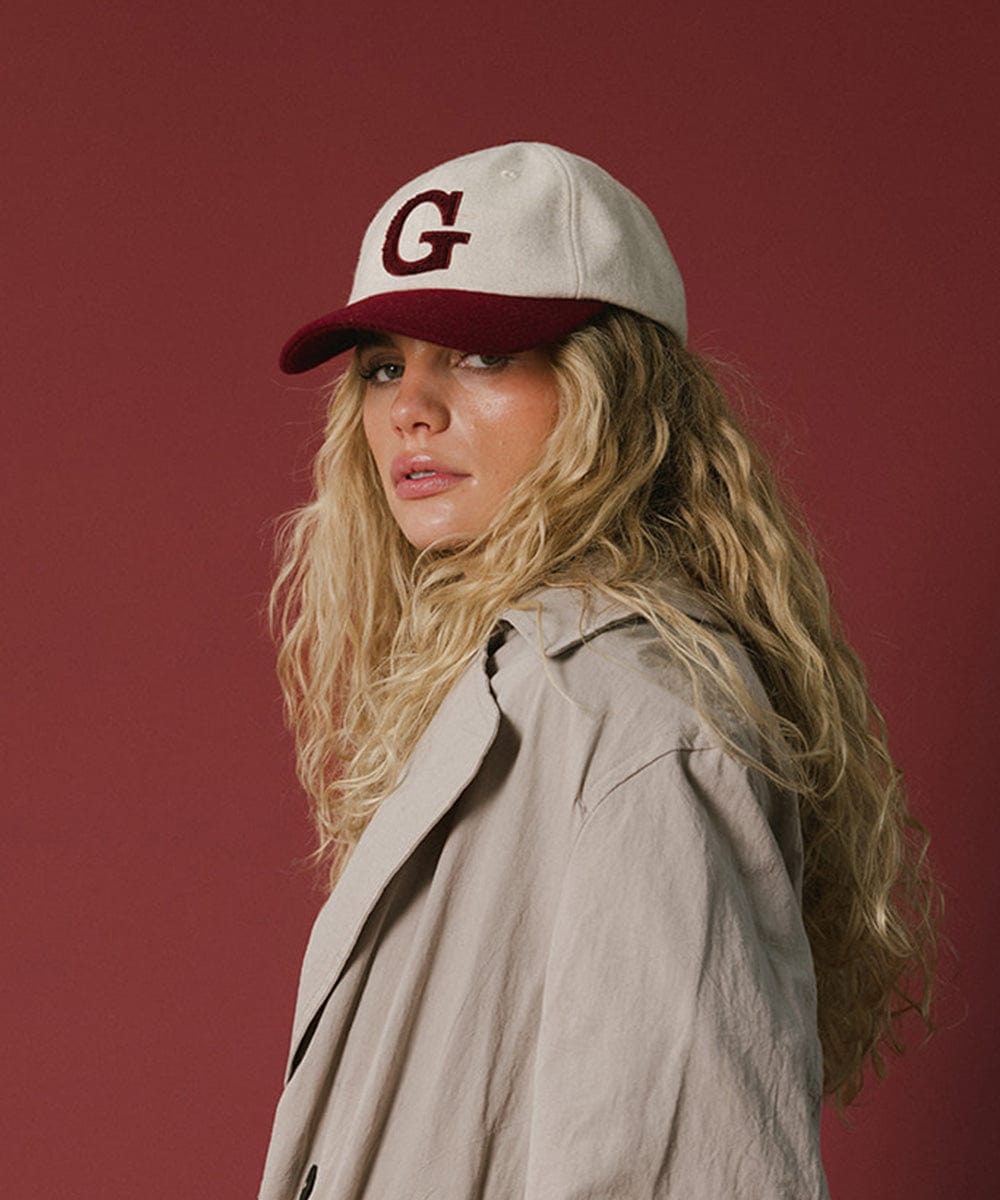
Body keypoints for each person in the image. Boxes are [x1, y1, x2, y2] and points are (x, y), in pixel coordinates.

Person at [259, 143, 937, 1199]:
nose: (410, 408)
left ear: (609, 390)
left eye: (480, 357)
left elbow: (687, 1163)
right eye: (386, 364)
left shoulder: (633, 715)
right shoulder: (525, 681)